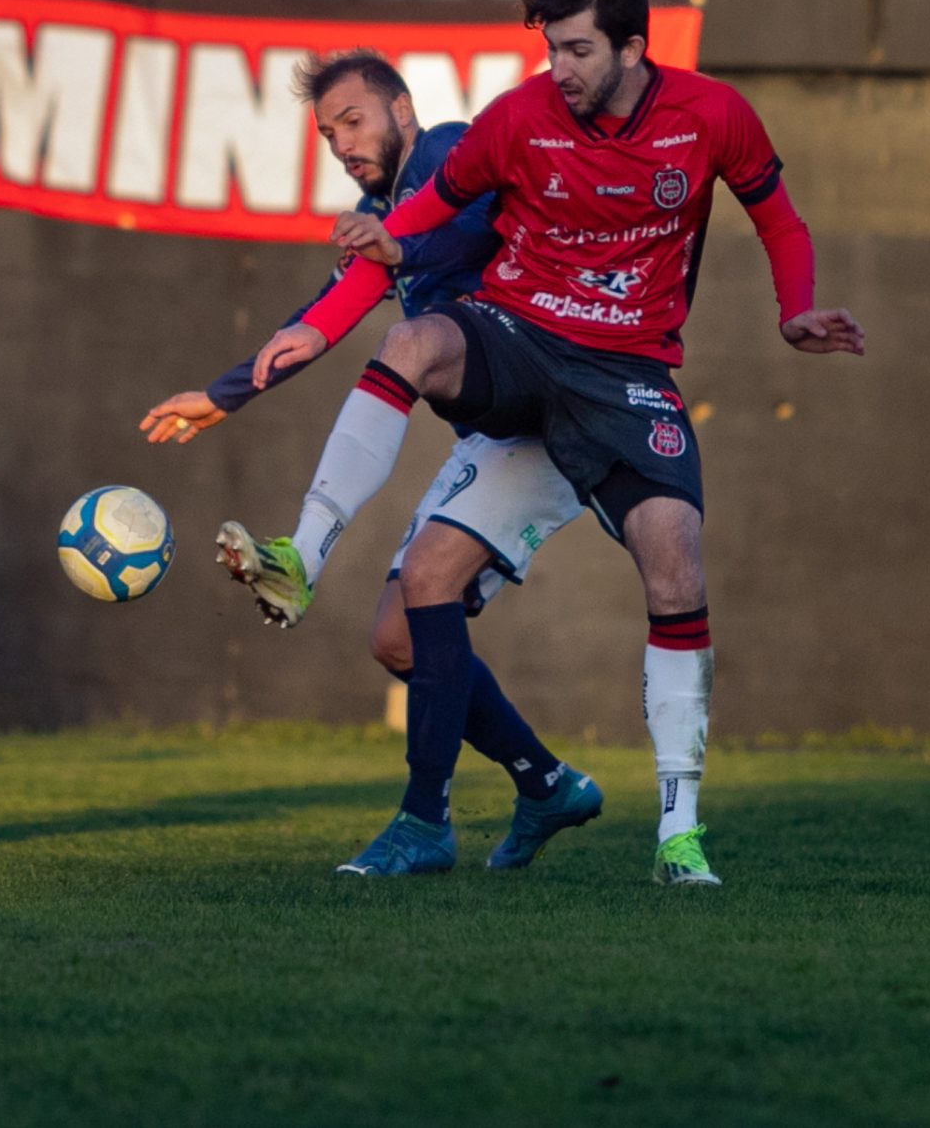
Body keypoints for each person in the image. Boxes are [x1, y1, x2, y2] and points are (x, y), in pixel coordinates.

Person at [228, 0, 866, 879]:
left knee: (676, 560)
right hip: (520, 337)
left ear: (634, 47)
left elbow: (780, 219)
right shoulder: (520, 116)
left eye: (575, 49)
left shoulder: (712, 115)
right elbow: (436, 206)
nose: (557, 68)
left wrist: (795, 308)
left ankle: (678, 833)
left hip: (629, 372)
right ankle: (306, 556)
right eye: (551, 47)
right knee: (414, 354)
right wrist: (386, 237)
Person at [142, 51, 613, 873]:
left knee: (413, 360)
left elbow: (474, 227)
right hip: (495, 434)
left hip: (559, 411)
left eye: (353, 121)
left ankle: (422, 820)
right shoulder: (379, 211)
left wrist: (396, 245)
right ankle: (547, 784)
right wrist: (222, 396)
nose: (341, 143)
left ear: (402, 108)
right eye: (327, 133)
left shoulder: (455, 153)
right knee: (400, 640)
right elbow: (323, 312)